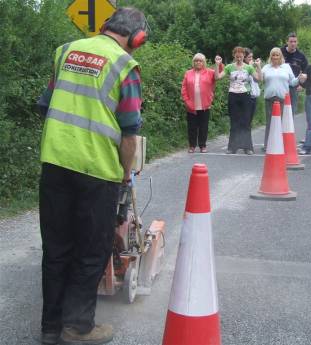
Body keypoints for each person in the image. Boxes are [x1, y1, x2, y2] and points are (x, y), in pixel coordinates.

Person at [38, 7, 147, 345]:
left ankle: (50, 327)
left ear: (104, 26)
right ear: (137, 38)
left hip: (54, 164)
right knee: (91, 250)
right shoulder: (125, 66)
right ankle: (78, 328)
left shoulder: (66, 51)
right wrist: (125, 175)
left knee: (56, 248)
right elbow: (129, 133)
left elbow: (46, 105)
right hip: (97, 173)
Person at [215, 46, 261, 155]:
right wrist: (217, 65)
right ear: (234, 56)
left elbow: (259, 79)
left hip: (245, 96)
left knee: (246, 122)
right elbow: (217, 77)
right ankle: (232, 147)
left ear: (244, 56)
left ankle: (248, 147)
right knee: (234, 122)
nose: (239, 58)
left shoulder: (249, 68)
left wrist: (258, 66)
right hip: (233, 96)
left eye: (241, 56)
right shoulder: (229, 67)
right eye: (237, 56)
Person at [258, 47, 306, 150]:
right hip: (270, 98)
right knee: (270, 123)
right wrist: (258, 67)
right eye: (273, 55)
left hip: (283, 98)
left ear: (281, 56)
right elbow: (260, 79)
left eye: (277, 55)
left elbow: (292, 82)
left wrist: (299, 79)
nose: (275, 57)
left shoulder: (286, 67)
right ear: (271, 56)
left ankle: (283, 144)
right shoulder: (266, 67)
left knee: (283, 123)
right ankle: (268, 145)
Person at [181, 53, 216, 153]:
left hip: (205, 104)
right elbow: (183, 89)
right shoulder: (188, 73)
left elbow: (219, 74)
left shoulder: (209, 72)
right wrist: (187, 101)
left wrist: (219, 64)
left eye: (200, 61)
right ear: (193, 62)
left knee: (203, 126)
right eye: (196, 61)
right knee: (191, 126)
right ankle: (192, 146)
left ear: (203, 62)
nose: (198, 62)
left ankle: (202, 145)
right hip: (191, 105)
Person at [281, 32, 308, 115]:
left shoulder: (301, 56)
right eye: (291, 41)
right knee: (280, 109)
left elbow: (306, 71)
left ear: (297, 42)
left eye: (295, 42)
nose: (293, 43)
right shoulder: (280, 52)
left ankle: (290, 127)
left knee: (291, 109)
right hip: (280, 84)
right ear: (287, 42)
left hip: (294, 86)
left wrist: (302, 85)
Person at [244, 48, 261, 124]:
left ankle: (247, 134)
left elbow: (257, 80)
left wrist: (258, 66)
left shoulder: (252, 67)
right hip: (246, 96)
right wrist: (250, 67)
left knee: (249, 120)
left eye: (252, 57)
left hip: (253, 97)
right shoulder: (243, 67)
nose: (251, 59)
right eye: (249, 57)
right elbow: (245, 80)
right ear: (244, 57)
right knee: (245, 119)